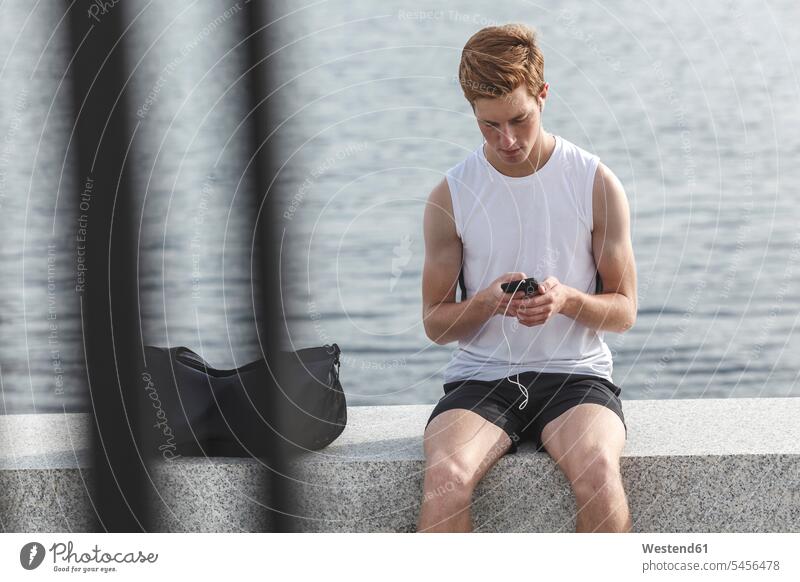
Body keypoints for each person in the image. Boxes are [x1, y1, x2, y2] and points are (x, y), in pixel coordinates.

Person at [418, 23, 637, 533]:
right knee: (446, 478)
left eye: (519, 120)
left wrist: (567, 300)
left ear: (543, 95)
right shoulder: (450, 197)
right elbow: (435, 324)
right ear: (472, 111)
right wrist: (486, 303)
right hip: (481, 379)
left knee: (600, 475)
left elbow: (624, 311)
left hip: (577, 377)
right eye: (489, 125)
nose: (506, 140)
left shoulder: (594, 182)